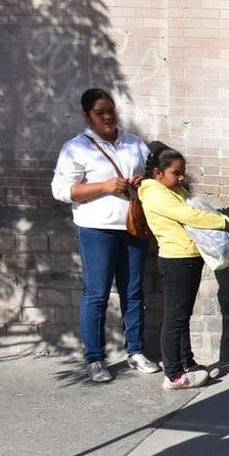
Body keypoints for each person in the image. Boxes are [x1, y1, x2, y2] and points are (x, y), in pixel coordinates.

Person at [50, 88, 159, 382]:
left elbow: (154, 176)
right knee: (96, 295)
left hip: (134, 227)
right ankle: (95, 359)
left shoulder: (134, 144)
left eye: (111, 110)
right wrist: (105, 186)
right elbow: (61, 191)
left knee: (133, 293)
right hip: (97, 230)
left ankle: (135, 351)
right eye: (100, 112)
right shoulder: (76, 148)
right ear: (88, 116)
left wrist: (143, 180)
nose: (108, 116)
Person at [139, 143, 229, 390]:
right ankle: (173, 374)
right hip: (176, 259)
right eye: (176, 172)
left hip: (189, 257)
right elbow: (190, 215)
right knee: (174, 317)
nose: (182, 177)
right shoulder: (153, 193)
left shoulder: (175, 189)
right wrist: (224, 224)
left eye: (183, 171)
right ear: (158, 173)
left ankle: (188, 365)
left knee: (183, 316)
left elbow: (198, 208)